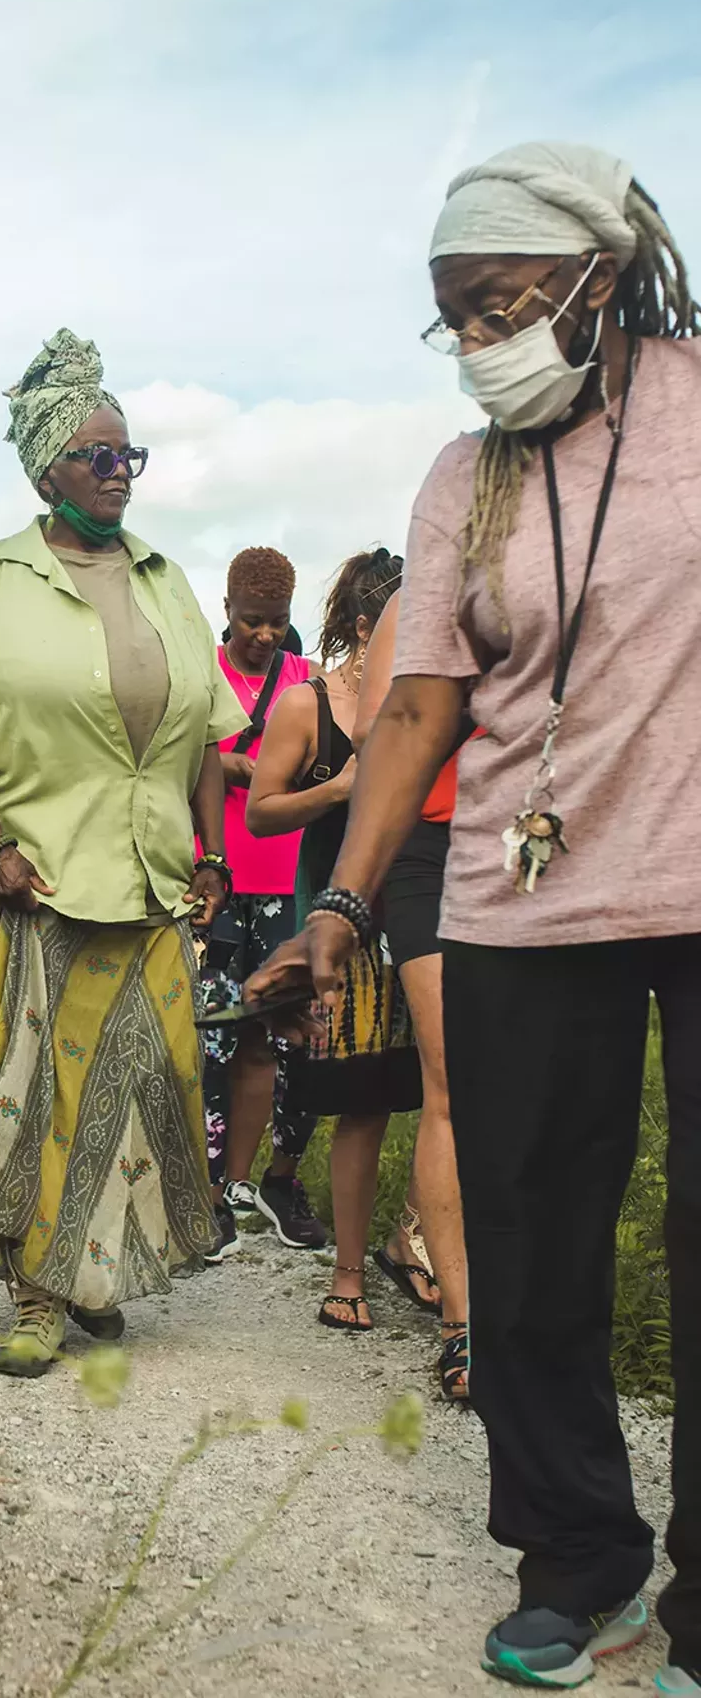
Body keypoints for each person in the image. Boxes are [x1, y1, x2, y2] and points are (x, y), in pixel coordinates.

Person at [246, 142, 701, 1691]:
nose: (482, 342)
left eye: (503, 303)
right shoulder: (469, 474)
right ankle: (579, 1562)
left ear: (600, 275)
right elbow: (422, 707)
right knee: (530, 1235)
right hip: (520, 900)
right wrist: (345, 903)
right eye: (456, 319)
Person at [0, 327, 241, 1377]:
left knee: (143, 1081)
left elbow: (205, 732)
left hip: (148, 876)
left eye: (126, 456)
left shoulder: (164, 580)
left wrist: (211, 853)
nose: (115, 474)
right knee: (35, 1087)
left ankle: (97, 1267)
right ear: (45, 465)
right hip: (37, 876)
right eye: (96, 455)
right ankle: (38, 1294)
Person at [246, 549, 423, 1334]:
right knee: (365, 1106)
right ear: (366, 624)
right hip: (342, 926)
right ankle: (348, 1273)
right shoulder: (303, 706)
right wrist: (340, 788)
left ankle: (414, 1243)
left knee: (449, 1099)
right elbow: (260, 812)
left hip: (427, 913)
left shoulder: (431, 696)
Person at [354, 589, 471, 1403]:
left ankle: (418, 1237)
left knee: (540, 1088)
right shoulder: (431, 582)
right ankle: (466, 1324)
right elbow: (375, 729)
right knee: (454, 1081)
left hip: (551, 845)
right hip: (434, 845)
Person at [199, 545, 325, 1262]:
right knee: (211, 1036)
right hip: (215, 876)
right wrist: (228, 763)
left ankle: (263, 1183)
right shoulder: (200, 673)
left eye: (277, 623)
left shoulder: (305, 681)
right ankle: (207, 1196)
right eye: (252, 621)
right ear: (226, 611)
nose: (265, 636)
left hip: (290, 878)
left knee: (280, 1041)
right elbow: (167, 754)